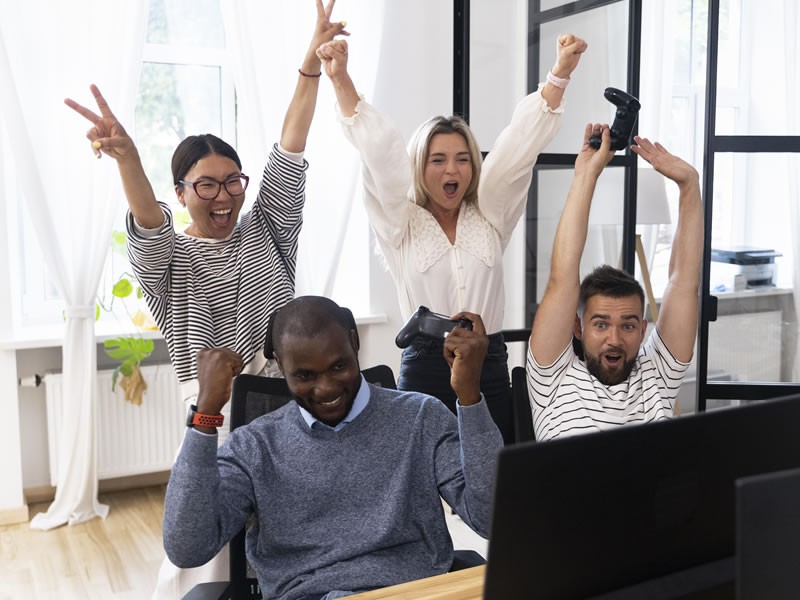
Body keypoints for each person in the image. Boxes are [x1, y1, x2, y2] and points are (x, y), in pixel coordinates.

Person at [66, 2, 348, 597]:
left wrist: (309, 65)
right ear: (182, 192)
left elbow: (291, 146)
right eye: (206, 185)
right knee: (210, 558)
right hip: (214, 417)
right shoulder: (169, 259)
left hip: (291, 404)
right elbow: (146, 219)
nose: (224, 196)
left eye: (233, 181)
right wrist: (128, 158)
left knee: (298, 541)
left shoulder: (268, 228)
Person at [316, 34, 587, 444]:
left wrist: (560, 72)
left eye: (463, 159)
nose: (452, 171)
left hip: (488, 362)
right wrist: (340, 78)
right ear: (419, 166)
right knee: (423, 480)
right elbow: (381, 153)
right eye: (438, 160)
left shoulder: (491, 215)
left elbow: (517, 148)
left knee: (492, 476)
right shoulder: (400, 222)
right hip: (425, 366)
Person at [162, 296, 504, 600]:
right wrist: (204, 415)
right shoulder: (254, 447)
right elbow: (187, 547)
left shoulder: (421, 416)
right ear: (281, 367)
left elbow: (493, 520)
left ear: (354, 342)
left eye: (338, 366)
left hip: (415, 590)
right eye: (306, 376)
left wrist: (469, 397)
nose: (325, 388)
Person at [527, 124, 704, 441]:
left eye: (628, 325)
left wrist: (690, 184)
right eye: (600, 324)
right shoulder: (553, 376)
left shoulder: (656, 374)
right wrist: (586, 175)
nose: (615, 339)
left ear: (643, 330)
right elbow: (562, 275)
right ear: (578, 328)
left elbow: (683, 283)